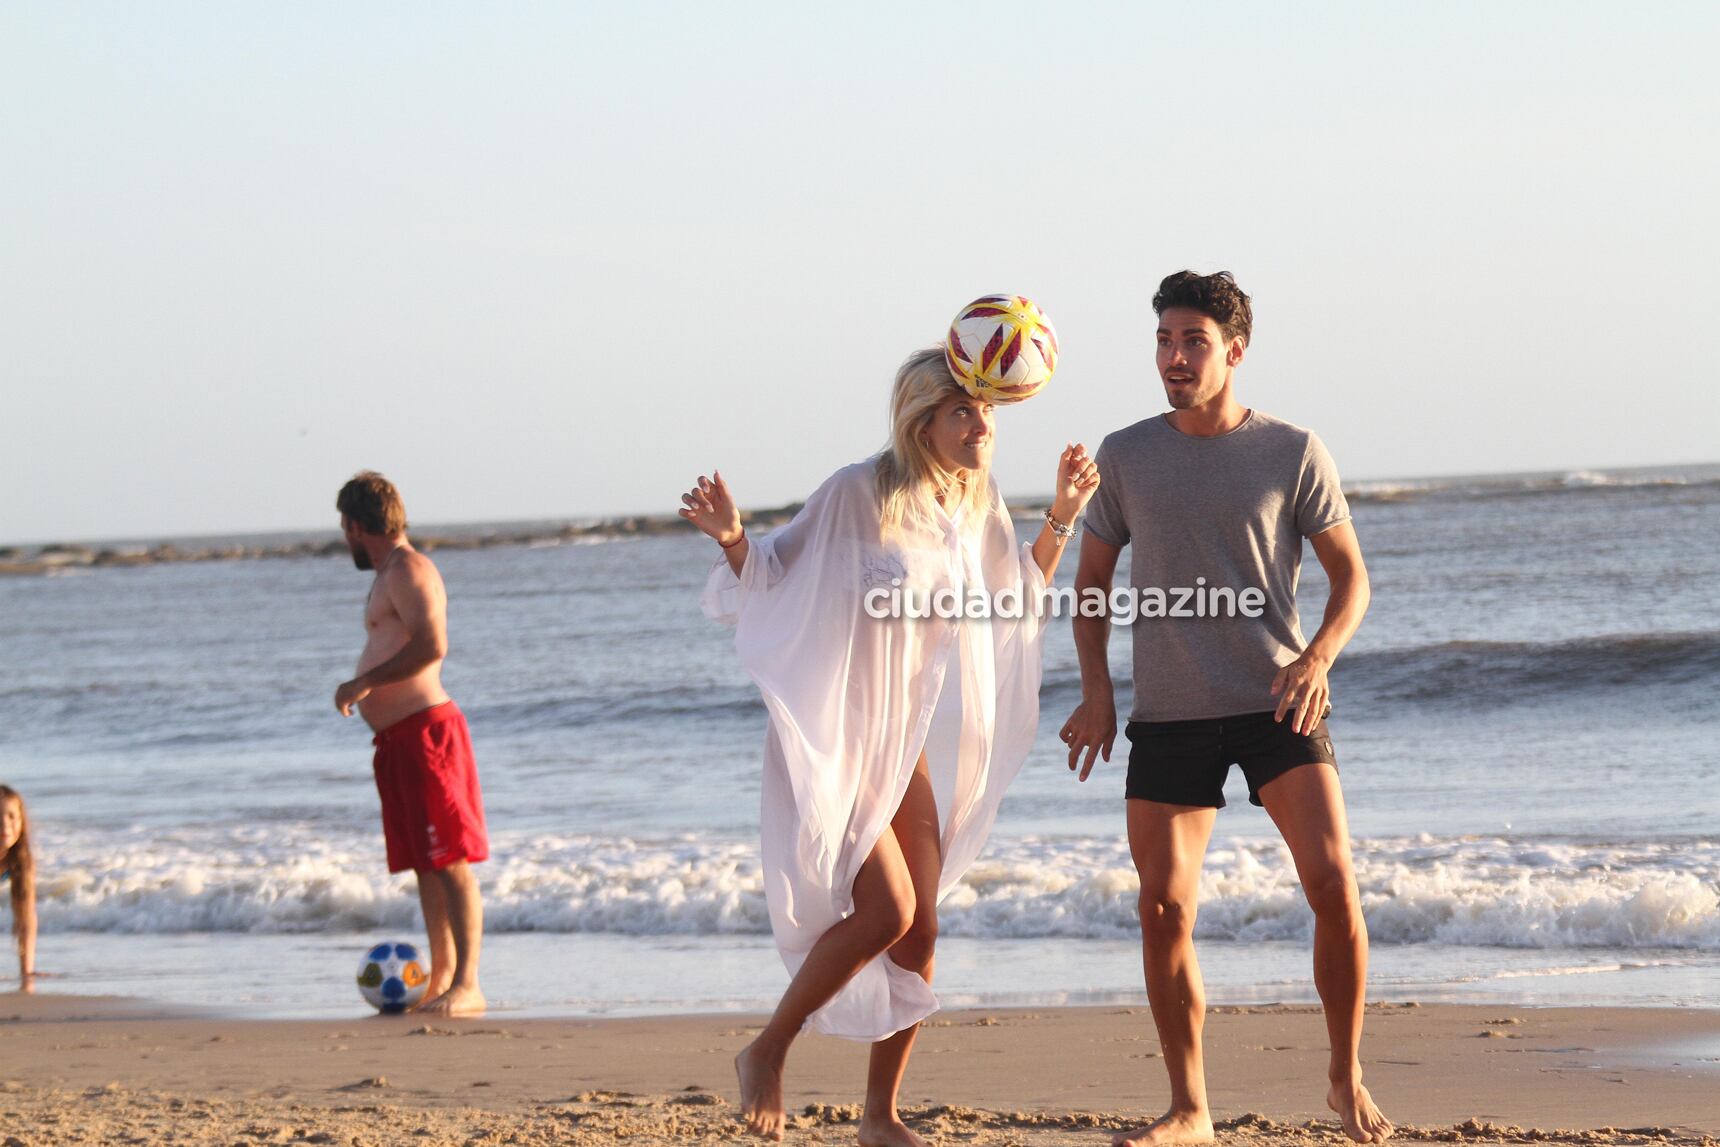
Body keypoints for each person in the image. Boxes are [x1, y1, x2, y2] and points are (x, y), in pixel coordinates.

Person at [681, 347, 1099, 1144]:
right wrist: (733, 536)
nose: (981, 426)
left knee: (922, 930)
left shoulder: (974, 503)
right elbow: (771, 573)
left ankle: (880, 1114)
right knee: (889, 905)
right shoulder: (857, 493)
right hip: (844, 737)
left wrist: (1065, 513)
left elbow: (1014, 596)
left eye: (986, 413)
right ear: (922, 420)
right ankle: (767, 1049)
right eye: (962, 412)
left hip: (903, 746)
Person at [1060, 271, 1393, 1145]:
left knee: (1333, 887)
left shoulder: (1291, 449)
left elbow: (1352, 578)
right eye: (1165, 341)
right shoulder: (1126, 454)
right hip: (1169, 712)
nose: (1174, 357)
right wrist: (1097, 692)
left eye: (1193, 342)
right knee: (1163, 908)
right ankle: (1189, 1108)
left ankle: (1343, 1074)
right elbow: (1090, 585)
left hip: (1276, 699)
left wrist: (1318, 656)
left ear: (1233, 351)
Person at [333, 471, 489, 1017]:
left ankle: (469, 982)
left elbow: (432, 644)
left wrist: (363, 682)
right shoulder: (387, 575)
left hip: (428, 732)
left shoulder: (409, 569)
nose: (344, 539)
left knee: (450, 860)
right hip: (397, 739)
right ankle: (443, 975)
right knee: (426, 861)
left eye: (345, 527)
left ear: (356, 524)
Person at [1, 784, 38, 993]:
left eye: (11, 816)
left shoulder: (20, 860)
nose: (4, 825)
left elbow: (27, 916)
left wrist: (27, 971)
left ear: (22, 821)